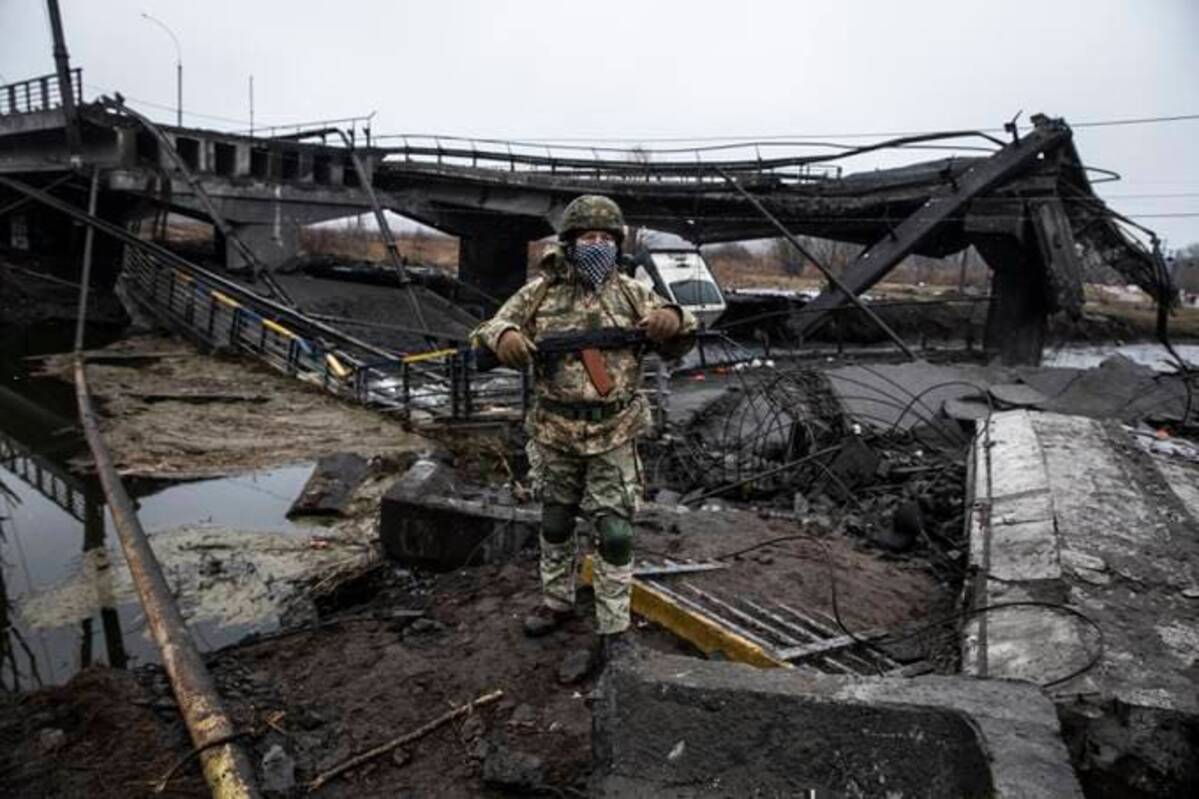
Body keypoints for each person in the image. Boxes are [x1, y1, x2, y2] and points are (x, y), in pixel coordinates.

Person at [473, 195, 697, 658]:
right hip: (555, 430)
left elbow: (681, 331)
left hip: (615, 431)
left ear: (617, 244)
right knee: (555, 521)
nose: (597, 245)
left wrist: (672, 319)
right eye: (587, 238)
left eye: (606, 238)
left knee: (615, 532)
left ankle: (613, 625)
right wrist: (506, 337)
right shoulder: (540, 292)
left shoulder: (633, 293)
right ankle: (557, 600)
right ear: (569, 243)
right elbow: (488, 329)